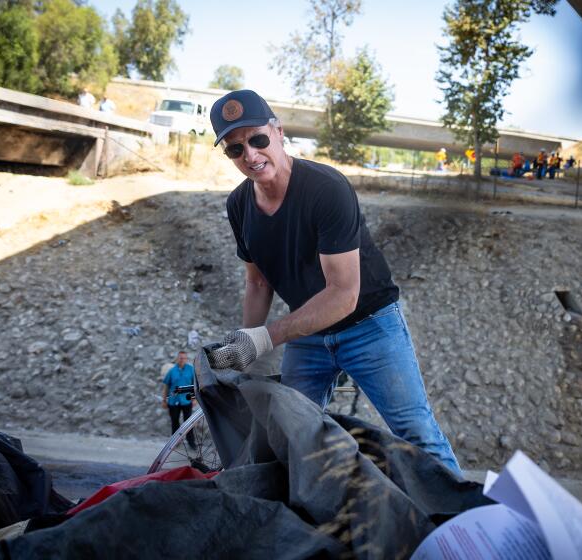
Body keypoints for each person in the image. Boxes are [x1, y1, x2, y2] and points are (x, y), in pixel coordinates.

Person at [206, 89, 462, 476]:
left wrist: (264, 338)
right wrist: (245, 343)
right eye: (235, 149)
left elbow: (344, 295)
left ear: (278, 132)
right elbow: (258, 284)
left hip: (369, 325)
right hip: (307, 333)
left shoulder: (326, 189)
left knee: (415, 433)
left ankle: (469, 528)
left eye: (257, 140)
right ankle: (308, 519)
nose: (251, 156)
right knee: (287, 436)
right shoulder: (238, 205)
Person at [162, 351, 196, 446]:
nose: (182, 360)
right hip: (173, 401)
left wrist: (194, 399)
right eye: (180, 358)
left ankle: (191, 442)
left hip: (187, 400)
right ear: (177, 359)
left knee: (188, 423)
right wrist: (164, 400)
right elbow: (166, 386)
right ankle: (175, 442)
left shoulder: (191, 370)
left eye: (184, 358)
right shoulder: (172, 371)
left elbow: (195, 385)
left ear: (186, 359)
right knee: (174, 422)